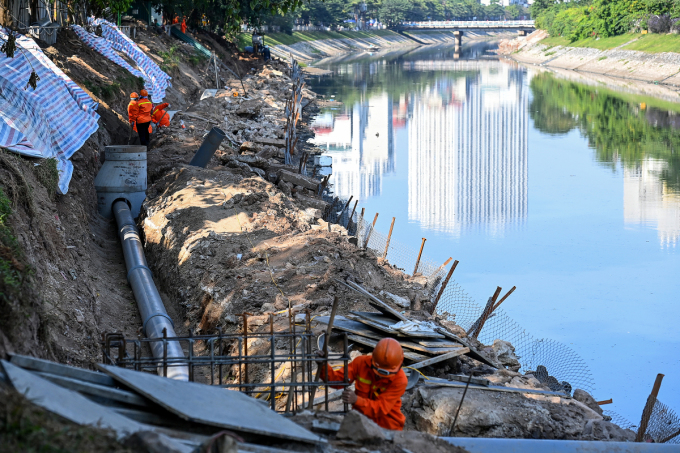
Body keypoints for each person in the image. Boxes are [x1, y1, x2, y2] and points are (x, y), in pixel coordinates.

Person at [317, 337, 407, 431]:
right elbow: (338, 380)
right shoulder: (361, 363)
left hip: (388, 426)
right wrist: (323, 366)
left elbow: (380, 408)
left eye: (385, 374)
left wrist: (356, 400)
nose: (380, 377)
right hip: (360, 422)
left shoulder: (400, 380)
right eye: (378, 372)